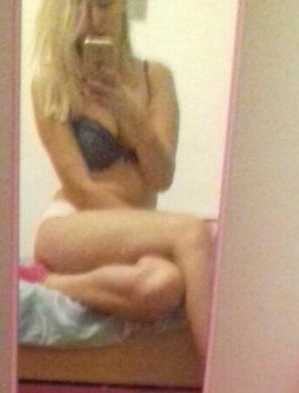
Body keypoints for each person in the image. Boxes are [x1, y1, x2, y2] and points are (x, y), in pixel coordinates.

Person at [31, 0, 213, 360]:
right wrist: (158, 231)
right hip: (73, 222)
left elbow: (161, 177)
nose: (91, 20)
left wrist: (130, 113)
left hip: (131, 234)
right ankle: (225, 385)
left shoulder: (155, 77)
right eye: (77, 8)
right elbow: (80, 188)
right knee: (193, 232)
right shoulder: (51, 84)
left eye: (102, 4)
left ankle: (57, 284)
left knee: (163, 285)